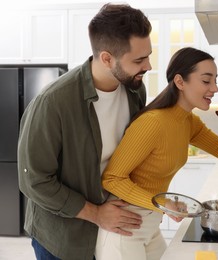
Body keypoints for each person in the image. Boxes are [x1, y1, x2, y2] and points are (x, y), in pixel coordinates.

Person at [95, 47, 218, 260]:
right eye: (206, 81)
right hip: (124, 228)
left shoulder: (188, 121)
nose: (214, 88)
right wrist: (163, 203)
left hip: (149, 224)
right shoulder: (152, 123)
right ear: (179, 82)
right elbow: (112, 178)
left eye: (215, 80)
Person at [17, 3, 153, 260]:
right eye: (138, 60)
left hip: (110, 231)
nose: (148, 66)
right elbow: (34, 181)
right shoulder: (54, 102)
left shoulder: (135, 90)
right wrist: (97, 214)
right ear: (106, 58)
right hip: (62, 238)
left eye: (147, 55)